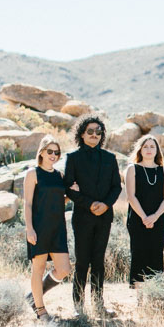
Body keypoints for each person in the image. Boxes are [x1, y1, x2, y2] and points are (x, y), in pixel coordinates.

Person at [64, 114, 122, 316]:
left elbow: (116, 187)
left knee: (98, 261)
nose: (95, 135)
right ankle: (78, 308)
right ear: (82, 133)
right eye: (90, 131)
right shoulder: (72, 158)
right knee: (81, 262)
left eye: (99, 132)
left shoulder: (110, 158)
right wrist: (90, 204)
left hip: (104, 217)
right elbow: (69, 189)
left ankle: (98, 305)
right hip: (82, 217)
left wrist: (105, 204)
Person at [23, 135, 72, 321]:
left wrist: (70, 193)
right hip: (39, 227)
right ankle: (41, 310)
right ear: (41, 152)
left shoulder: (59, 176)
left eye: (56, 152)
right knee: (39, 268)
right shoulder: (32, 174)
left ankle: (33, 296)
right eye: (49, 151)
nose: (53, 155)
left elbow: (59, 200)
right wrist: (29, 229)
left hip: (58, 228)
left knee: (64, 269)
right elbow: (27, 204)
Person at [125, 135, 164, 288]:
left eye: (152, 146)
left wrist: (155, 217)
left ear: (157, 150)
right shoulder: (133, 169)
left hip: (158, 220)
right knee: (139, 255)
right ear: (140, 149)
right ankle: (140, 299)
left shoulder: (163, 171)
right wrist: (145, 217)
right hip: (138, 220)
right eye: (145, 146)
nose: (149, 149)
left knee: (156, 256)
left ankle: (154, 296)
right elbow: (131, 196)